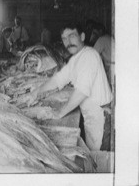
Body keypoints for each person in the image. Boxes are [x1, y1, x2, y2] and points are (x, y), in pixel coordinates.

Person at [15, 22, 113, 151]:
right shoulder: (76, 58)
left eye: (72, 36)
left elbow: (82, 92)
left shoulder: (89, 56)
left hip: (100, 116)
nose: (68, 42)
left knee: (97, 156)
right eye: (64, 38)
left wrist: (59, 113)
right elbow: (58, 79)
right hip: (91, 113)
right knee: (91, 150)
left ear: (82, 37)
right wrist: (35, 93)